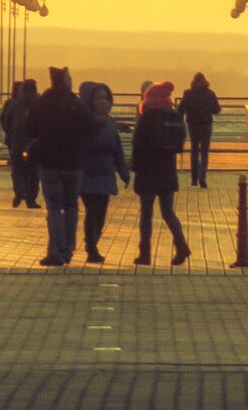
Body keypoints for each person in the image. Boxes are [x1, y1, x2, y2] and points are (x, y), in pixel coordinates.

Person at [28, 67, 90, 265]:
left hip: (49, 163)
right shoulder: (76, 103)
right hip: (73, 163)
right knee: (71, 206)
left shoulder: (42, 103)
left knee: (54, 208)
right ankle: (68, 249)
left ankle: (55, 251)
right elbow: (90, 127)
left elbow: (29, 128)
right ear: (65, 80)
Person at [131, 80, 193, 264]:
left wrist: (134, 169)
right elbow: (179, 145)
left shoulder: (146, 117)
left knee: (146, 213)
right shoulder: (172, 115)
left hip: (148, 172)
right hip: (167, 172)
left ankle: (145, 253)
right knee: (168, 213)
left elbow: (137, 146)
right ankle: (181, 246)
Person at [74, 78, 126, 264]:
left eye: (106, 98)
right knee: (93, 211)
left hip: (105, 174)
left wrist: (124, 172)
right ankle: (91, 247)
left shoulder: (110, 123)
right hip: (87, 174)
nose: (103, 102)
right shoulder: (85, 123)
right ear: (90, 101)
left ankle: (93, 242)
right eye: (98, 98)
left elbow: (117, 150)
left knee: (101, 214)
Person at [2, 77, 43, 212]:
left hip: (16, 141)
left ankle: (19, 190)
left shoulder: (13, 102)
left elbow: (5, 120)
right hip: (33, 142)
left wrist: (10, 133)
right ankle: (31, 199)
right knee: (33, 170)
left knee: (17, 168)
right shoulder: (39, 101)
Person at [179, 72, 221, 188]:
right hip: (206, 124)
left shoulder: (188, 93)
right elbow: (217, 109)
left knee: (194, 150)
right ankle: (202, 177)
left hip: (192, 124)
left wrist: (180, 121)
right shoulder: (210, 94)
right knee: (204, 152)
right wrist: (208, 110)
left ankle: (194, 178)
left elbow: (181, 109)